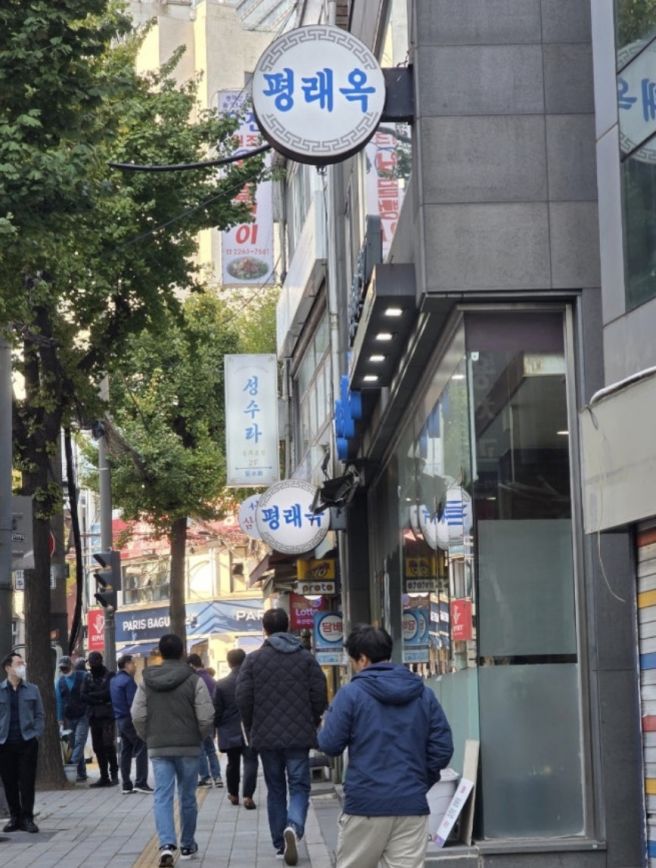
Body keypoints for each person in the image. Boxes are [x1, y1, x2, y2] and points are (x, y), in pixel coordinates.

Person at [318, 625, 454, 868]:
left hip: (365, 804)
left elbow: (330, 744)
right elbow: (442, 748)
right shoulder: (423, 693)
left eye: (353, 661)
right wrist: (420, 781)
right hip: (411, 804)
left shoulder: (351, 694)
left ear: (362, 659)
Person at [236, 608, 328, 865]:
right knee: (299, 785)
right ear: (288, 627)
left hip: (266, 736)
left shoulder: (253, 660)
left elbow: (243, 697)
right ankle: (294, 826)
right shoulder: (305, 658)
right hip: (299, 735)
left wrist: (252, 724)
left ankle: (279, 844)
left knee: (275, 789)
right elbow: (319, 691)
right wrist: (313, 718)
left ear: (265, 629)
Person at [132, 634, 214, 867]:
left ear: (159, 652)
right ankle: (188, 845)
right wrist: (199, 735)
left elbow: (137, 714)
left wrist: (147, 736)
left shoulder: (146, 680)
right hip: (189, 746)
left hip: (159, 747)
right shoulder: (194, 679)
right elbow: (206, 715)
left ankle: (166, 844)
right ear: (182, 653)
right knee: (187, 796)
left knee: (162, 796)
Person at [0, 652, 44, 833]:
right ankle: (14, 817)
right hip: (5, 743)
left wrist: (36, 735)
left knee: (27, 782)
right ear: (8, 668)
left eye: (23, 663)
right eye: (18, 663)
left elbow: (40, 715)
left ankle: (27, 817)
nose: (22, 666)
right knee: (9, 782)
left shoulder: (32, 689)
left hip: (27, 742)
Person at [214, 648, 258, 810]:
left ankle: (233, 794)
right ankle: (248, 795)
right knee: (251, 761)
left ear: (229, 662)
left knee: (232, 763)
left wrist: (217, 725)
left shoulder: (221, 684)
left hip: (229, 729)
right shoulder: (252, 681)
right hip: (250, 727)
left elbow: (216, 710)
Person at [110, 655, 152, 794]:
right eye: (133, 663)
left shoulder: (114, 680)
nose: (135, 666)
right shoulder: (128, 682)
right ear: (127, 664)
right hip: (130, 719)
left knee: (126, 750)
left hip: (119, 719)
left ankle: (126, 783)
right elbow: (134, 704)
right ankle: (140, 782)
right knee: (141, 746)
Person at [81, 650, 118, 787]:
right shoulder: (87, 677)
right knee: (97, 747)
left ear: (100, 661)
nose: (92, 664)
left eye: (94, 661)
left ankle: (114, 773)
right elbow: (83, 695)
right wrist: (99, 698)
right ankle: (104, 776)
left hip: (107, 716)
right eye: (90, 662)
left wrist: (93, 695)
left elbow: (108, 693)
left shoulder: (110, 675)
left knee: (108, 745)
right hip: (94, 716)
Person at [186, 654, 222, 788]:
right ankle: (217, 777)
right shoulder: (212, 680)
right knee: (211, 749)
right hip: (210, 719)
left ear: (191, 665)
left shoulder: (194, 680)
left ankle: (205, 777)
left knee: (200, 749)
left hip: (198, 719)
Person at [56, 655, 90, 783]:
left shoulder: (83, 676)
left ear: (71, 666)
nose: (65, 671)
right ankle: (81, 773)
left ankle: (71, 764)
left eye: (66, 668)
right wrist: (59, 718)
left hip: (83, 714)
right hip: (68, 717)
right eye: (62, 669)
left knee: (80, 741)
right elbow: (59, 701)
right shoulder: (60, 682)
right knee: (74, 744)